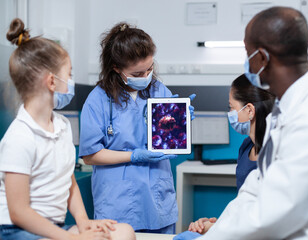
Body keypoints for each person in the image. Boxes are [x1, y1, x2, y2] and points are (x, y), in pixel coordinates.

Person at [174, 6, 308, 240]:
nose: (246, 62)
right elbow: (254, 190)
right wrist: (218, 229)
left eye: (247, 53)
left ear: (261, 58)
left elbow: (270, 217)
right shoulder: (284, 113)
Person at [0, 18, 135, 240]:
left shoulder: (61, 126)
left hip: (52, 227)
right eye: (69, 74)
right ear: (52, 82)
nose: (71, 81)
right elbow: (19, 212)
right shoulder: (19, 138)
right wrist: (71, 238)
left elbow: (67, 178)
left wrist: (83, 223)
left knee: (124, 232)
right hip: (16, 230)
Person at [79, 22, 194, 234]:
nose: (146, 77)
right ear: (116, 68)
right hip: (117, 205)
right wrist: (134, 156)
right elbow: (90, 155)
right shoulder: (98, 100)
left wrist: (181, 122)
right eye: (138, 73)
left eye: (150, 69)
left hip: (158, 201)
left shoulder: (160, 91)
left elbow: (170, 141)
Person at [187, 74, 275, 234]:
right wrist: (217, 223)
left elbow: (265, 220)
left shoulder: (274, 156)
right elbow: (243, 207)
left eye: (231, 107)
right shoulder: (247, 145)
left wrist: (217, 229)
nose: (230, 113)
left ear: (249, 110)